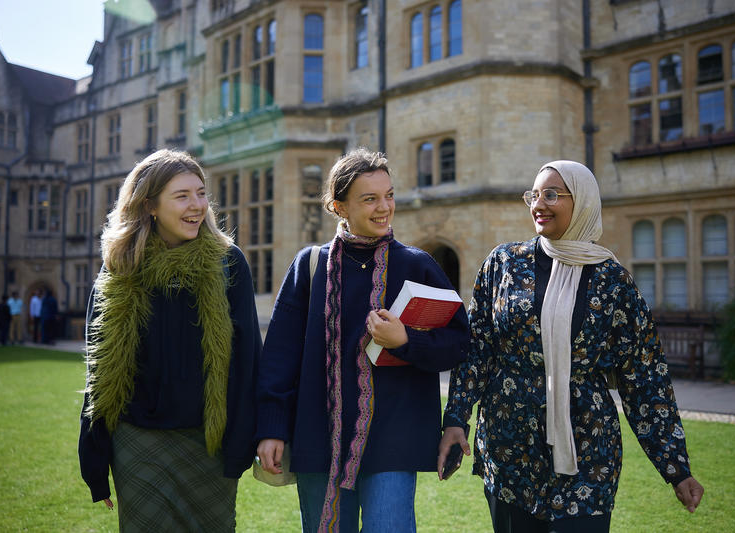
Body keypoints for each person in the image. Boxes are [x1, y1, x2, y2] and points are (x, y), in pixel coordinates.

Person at [438, 161, 704, 533]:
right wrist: (456, 420)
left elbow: (644, 377)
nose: (538, 204)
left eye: (551, 194)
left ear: (582, 203)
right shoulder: (503, 264)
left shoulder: (613, 282)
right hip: (509, 446)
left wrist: (676, 467)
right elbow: (478, 351)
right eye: (534, 195)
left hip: (587, 450)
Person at [256, 148, 470, 533]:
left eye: (389, 195)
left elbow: (457, 345)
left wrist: (404, 340)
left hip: (394, 440)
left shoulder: (418, 265)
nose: (384, 207)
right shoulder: (309, 266)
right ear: (339, 206)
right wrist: (272, 428)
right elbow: (279, 357)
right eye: (369, 198)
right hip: (318, 438)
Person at [78, 149, 262, 531]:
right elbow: (99, 373)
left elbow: (248, 360)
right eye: (182, 196)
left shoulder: (229, 263)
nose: (197, 205)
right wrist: (94, 458)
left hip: (209, 445)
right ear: (149, 205)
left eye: (201, 193)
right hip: (137, 442)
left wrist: (243, 442)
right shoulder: (120, 266)